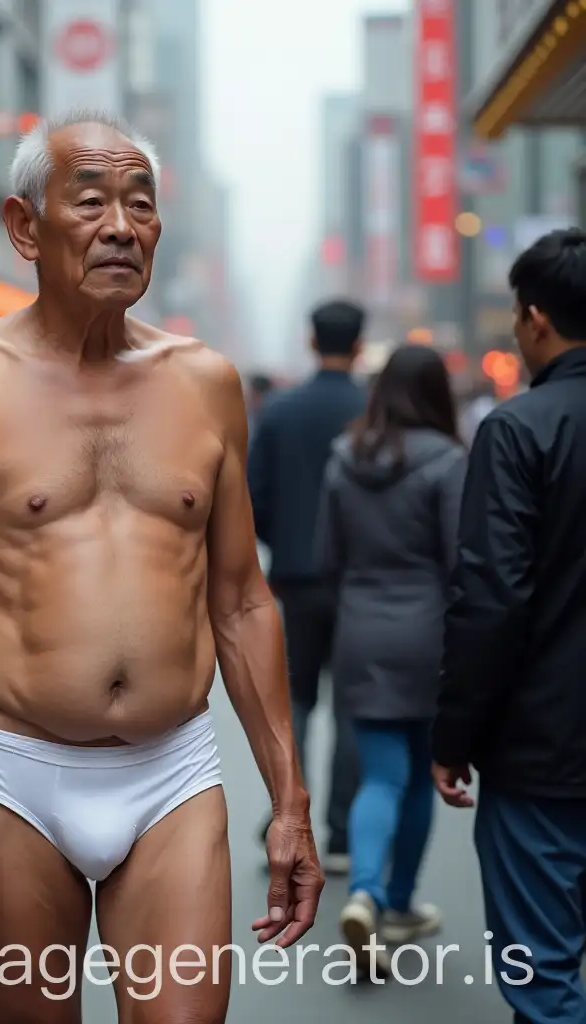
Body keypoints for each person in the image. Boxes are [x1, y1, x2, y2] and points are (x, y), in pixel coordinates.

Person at [0, 110, 322, 1024]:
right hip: (13, 775)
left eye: (141, 203)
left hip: (173, 772)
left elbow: (242, 601)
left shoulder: (205, 380)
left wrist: (290, 800)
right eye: (91, 201)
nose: (122, 225)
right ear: (24, 227)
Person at [432, 228, 586, 1023]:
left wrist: (453, 736)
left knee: (545, 976)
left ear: (533, 319)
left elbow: (491, 597)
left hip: (545, 752)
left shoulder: (521, 430)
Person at [316, 344, 466, 973]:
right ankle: (398, 901)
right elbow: (463, 559)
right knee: (422, 771)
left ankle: (365, 895)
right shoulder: (450, 461)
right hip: (428, 632)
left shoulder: (343, 459)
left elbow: (327, 556)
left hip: (361, 629)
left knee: (380, 774)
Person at [246, 299, 367, 873]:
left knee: (291, 705)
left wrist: (286, 541)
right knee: (350, 705)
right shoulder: (374, 411)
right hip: (360, 581)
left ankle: (287, 816)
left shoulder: (280, 410)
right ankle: (343, 831)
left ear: (311, 340)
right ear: (360, 345)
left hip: (295, 578)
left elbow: (256, 497)